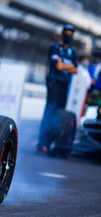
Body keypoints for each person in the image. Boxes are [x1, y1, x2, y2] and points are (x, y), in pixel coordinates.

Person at [36, 24, 78, 154]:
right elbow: (58, 67)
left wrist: (65, 66)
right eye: (67, 33)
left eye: (71, 34)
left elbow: (75, 69)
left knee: (59, 115)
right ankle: (42, 143)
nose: (69, 36)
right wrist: (68, 66)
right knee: (50, 112)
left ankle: (52, 143)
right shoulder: (54, 48)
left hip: (65, 86)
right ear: (62, 33)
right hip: (54, 84)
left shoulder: (73, 51)